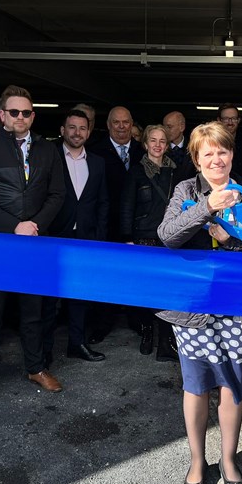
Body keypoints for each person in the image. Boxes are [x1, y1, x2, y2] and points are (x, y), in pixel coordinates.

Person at [157, 121, 242, 484]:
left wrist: (231, 241)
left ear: (232, 154)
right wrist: (206, 206)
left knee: (232, 386)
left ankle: (228, 460)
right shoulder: (185, 191)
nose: (216, 159)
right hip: (195, 307)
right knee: (196, 385)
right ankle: (197, 462)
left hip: (240, 309)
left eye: (222, 151)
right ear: (196, 159)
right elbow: (167, 236)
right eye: (207, 153)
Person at [0, 86, 66, 408]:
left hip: (35, 242)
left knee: (32, 310)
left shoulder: (47, 150)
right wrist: (14, 226)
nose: (20, 117)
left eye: (26, 112)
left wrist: (33, 225)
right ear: (2, 115)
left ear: (33, 116)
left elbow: (57, 194)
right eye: (14, 112)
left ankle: (36, 368)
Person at [45, 109, 108, 365]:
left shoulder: (97, 162)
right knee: (48, 297)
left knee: (80, 294)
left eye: (82, 128)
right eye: (72, 127)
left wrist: (99, 239)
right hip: (53, 237)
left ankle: (76, 343)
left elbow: (102, 202)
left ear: (89, 132)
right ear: (63, 129)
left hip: (85, 238)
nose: (77, 132)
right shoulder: (49, 157)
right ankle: (43, 351)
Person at [120, 124, 181, 361]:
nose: (157, 145)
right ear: (145, 144)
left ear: (167, 145)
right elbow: (126, 207)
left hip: (168, 239)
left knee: (167, 292)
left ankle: (165, 342)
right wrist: (127, 239)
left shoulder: (176, 173)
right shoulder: (135, 172)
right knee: (145, 292)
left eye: (162, 141)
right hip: (143, 239)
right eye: (152, 140)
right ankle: (146, 333)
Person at [87, 106, 144, 343]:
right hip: (107, 224)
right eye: (116, 122)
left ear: (132, 125)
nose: (121, 127)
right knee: (106, 275)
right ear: (109, 125)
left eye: (126, 122)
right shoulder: (95, 152)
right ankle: (103, 323)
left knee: (136, 274)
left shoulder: (144, 151)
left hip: (136, 225)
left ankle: (137, 320)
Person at [163, 110, 196, 179]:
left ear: (182, 127)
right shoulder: (160, 148)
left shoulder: (195, 148)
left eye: (169, 127)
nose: (165, 131)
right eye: (164, 127)